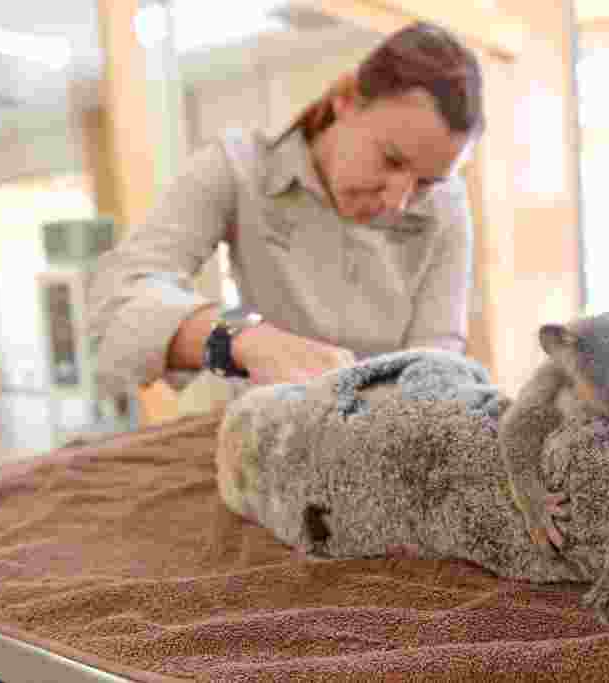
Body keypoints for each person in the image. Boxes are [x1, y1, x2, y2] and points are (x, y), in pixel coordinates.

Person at [87, 22, 485, 401]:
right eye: (391, 159)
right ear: (345, 99)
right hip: (274, 437)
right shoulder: (237, 168)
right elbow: (115, 305)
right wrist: (241, 339)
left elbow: (437, 362)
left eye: (426, 183)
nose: (398, 201)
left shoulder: (447, 206)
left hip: (388, 447)